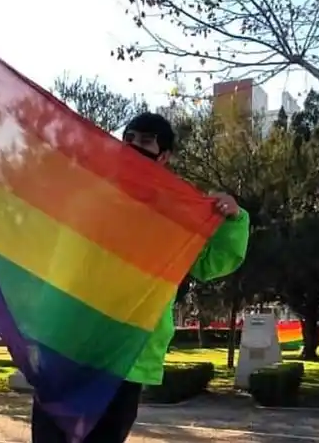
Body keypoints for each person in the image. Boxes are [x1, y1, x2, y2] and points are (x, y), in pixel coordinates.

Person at [31, 112, 250, 443]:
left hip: (124, 353)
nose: (133, 145)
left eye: (145, 141)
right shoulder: (88, 193)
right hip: (67, 344)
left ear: (165, 156)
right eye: (129, 138)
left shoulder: (175, 212)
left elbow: (210, 263)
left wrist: (234, 219)